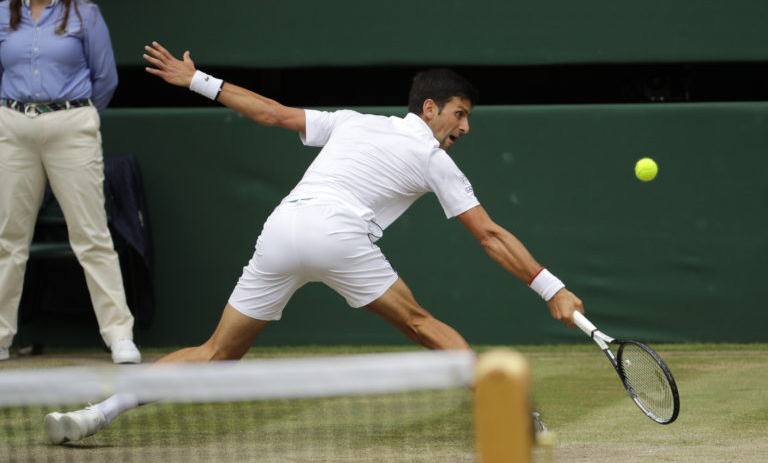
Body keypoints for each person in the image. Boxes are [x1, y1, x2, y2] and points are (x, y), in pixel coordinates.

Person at [42, 41, 584, 444]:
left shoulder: (351, 121)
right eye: (460, 114)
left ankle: (97, 413)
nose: (464, 128)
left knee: (216, 352)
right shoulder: (432, 158)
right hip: (338, 235)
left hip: (282, 227)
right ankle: (513, 418)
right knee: (422, 325)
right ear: (430, 109)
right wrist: (551, 288)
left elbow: (274, 113)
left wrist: (197, 80)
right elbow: (489, 235)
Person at [0, 0, 140, 364]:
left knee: (92, 235)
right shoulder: (3, 14)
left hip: (72, 125)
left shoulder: (86, 14)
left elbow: (106, 78)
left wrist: (76, 118)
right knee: (9, 237)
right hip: (13, 128)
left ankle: (119, 336)